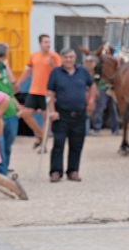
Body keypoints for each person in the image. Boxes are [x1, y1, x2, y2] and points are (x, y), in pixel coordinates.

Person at [45, 49, 95, 182]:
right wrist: (52, 111)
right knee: (58, 143)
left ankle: (73, 171)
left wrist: (91, 100)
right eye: (66, 57)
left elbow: (92, 85)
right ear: (62, 58)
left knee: (77, 144)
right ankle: (56, 171)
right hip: (61, 115)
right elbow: (50, 93)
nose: (69, 59)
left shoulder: (82, 72)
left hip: (79, 114)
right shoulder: (55, 73)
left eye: (71, 57)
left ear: (75, 58)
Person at [16, 34, 59, 145]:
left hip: (47, 92)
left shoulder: (54, 57)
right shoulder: (33, 56)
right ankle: (40, 135)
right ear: (40, 44)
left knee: (46, 118)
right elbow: (27, 71)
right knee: (25, 114)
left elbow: (59, 73)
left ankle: (43, 144)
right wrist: (19, 83)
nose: (48, 45)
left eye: (49, 42)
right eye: (45, 42)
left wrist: (53, 65)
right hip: (34, 90)